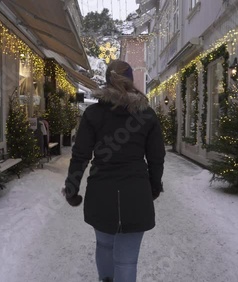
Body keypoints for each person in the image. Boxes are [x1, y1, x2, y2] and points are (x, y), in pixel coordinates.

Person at [62, 60, 165, 282]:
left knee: (105, 245)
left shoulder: (92, 114)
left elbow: (80, 155)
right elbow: (157, 158)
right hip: (136, 193)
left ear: (107, 80)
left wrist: (72, 188)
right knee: (127, 260)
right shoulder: (146, 114)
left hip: (101, 192)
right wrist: (154, 187)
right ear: (131, 80)